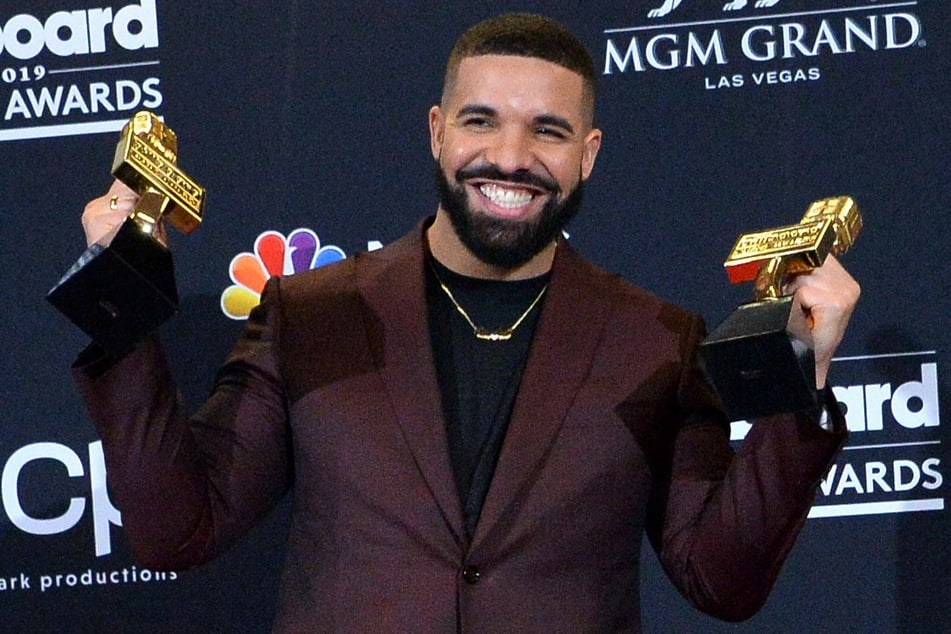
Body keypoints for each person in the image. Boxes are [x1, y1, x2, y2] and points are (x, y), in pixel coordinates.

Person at [75, 13, 860, 633]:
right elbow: (178, 531)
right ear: (436, 131)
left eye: (547, 131)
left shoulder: (655, 339)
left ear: (587, 154)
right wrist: (121, 305)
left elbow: (721, 583)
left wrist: (802, 376)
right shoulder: (310, 314)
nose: (510, 156)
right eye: (480, 121)